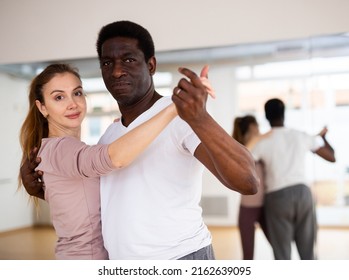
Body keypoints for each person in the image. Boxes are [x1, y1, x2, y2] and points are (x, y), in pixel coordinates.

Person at [20, 20, 259, 260]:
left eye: (129, 59)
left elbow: (248, 181)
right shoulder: (111, 136)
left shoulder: (181, 116)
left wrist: (201, 119)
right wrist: (45, 189)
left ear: (151, 65)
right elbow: (95, 200)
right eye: (107, 63)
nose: (116, 71)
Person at [18, 63, 183, 259]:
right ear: (42, 107)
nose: (73, 104)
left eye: (77, 93)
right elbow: (115, 158)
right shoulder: (61, 149)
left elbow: (78, 200)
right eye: (59, 97)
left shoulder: (57, 149)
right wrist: (174, 109)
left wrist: (124, 130)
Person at [251, 98, 336, 260]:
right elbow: (331, 157)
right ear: (284, 115)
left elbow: (246, 162)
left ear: (267, 117)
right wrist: (323, 137)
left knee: (282, 254)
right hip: (303, 194)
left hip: (277, 196)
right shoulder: (300, 135)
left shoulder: (262, 142)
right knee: (308, 252)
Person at [232, 115, 270, 260]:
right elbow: (242, 158)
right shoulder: (239, 148)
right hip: (247, 209)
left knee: (279, 247)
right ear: (253, 127)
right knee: (248, 256)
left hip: (266, 207)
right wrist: (260, 137)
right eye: (258, 126)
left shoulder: (262, 146)